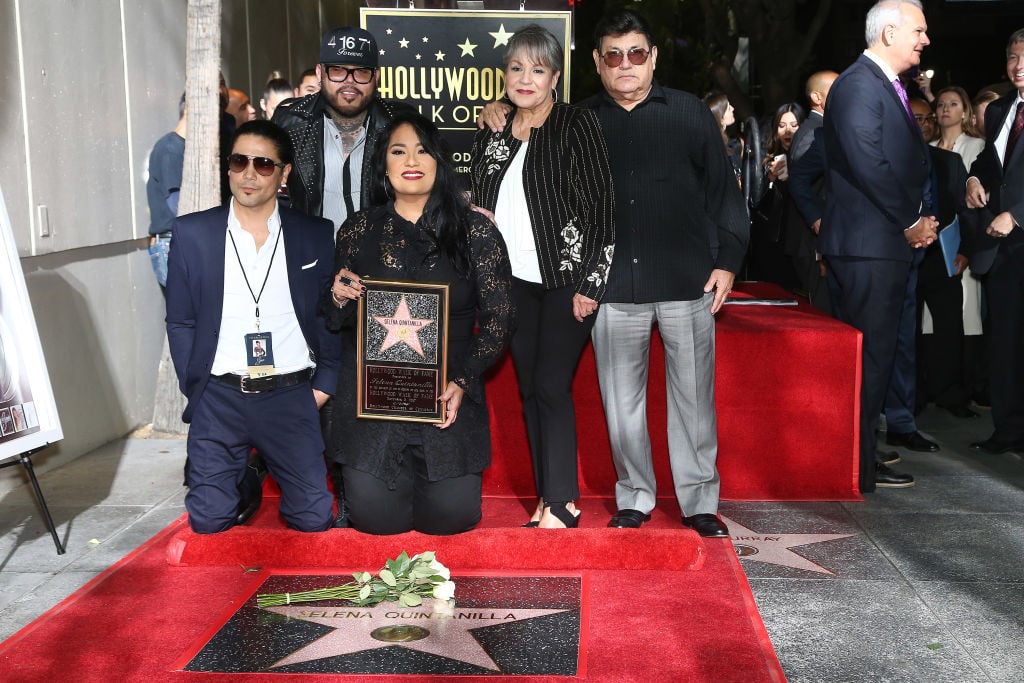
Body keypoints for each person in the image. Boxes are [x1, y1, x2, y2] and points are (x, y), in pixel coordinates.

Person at [482, 10, 748, 535]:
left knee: (693, 400)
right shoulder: (576, 120)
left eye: (636, 53)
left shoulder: (692, 113)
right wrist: (497, 110)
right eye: (612, 55)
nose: (625, 64)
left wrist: (728, 263)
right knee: (620, 405)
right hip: (610, 288)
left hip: (686, 281)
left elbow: (725, 195)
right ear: (598, 65)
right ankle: (635, 497)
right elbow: (525, 142)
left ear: (652, 58)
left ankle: (699, 504)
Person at [324, 112, 513, 535]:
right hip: (373, 407)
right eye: (398, 151)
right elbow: (336, 320)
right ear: (384, 165)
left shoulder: (476, 231)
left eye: (423, 150)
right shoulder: (357, 230)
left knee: (451, 520)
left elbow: (500, 320)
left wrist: (462, 380)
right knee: (375, 522)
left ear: (439, 161)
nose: (412, 159)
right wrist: (338, 294)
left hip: (447, 398)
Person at [470, 25, 615, 529]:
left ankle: (561, 501)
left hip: (565, 281)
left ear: (555, 76)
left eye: (537, 69)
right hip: (510, 285)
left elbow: (602, 209)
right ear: (504, 75)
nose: (525, 78)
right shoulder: (492, 126)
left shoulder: (577, 124)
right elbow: (478, 204)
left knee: (552, 385)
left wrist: (591, 284)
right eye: (516, 68)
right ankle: (548, 498)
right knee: (530, 388)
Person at [165, 120, 339, 534]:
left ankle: (259, 463)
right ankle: (243, 476)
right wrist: (198, 386)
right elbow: (181, 320)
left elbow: (325, 314)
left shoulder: (314, 234)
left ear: (284, 174)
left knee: (313, 520)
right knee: (208, 521)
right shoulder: (193, 234)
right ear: (228, 167)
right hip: (220, 396)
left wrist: (325, 383)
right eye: (240, 161)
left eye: (263, 164)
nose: (248, 173)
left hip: (291, 395)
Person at [820, 0, 938, 492]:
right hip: (870, 246)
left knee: (874, 359)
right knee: (866, 361)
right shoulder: (859, 84)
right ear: (889, 32)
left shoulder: (880, 85)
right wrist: (912, 220)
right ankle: (855, 468)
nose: (926, 40)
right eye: (919, 30)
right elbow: (869, 160)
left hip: (876, 244)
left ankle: (861, 457)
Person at [273, 26, 414, 230]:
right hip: (311, 255)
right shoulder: (290, 122)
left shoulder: (401, 122)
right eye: (337, 70)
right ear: (320, 73)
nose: (349, 82)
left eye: (361, 72)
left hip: (380, 256)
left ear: (376, 77)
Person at [964, 28, 1024, 454]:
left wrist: (1017, 215)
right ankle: (1008, 432)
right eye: (1012, 57)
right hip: (1002, 250)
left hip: (1016, 229)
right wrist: (972, 178)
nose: (1018, 66)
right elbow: (990, 159)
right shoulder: (1002, 109)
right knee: (1004, 342)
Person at [786, 71, 837, 312]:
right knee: (822, 312)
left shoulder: (821, 128)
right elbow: (800, 182)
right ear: (817, 96)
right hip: (813, 240)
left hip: (819, 238)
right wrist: (817, 219)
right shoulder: (812, 132)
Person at [750, 103, 805, 289]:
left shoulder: (810, 159)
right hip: (773, 242)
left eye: (794, 125)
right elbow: (756, 204)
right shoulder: (767, 160)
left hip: (799, 240)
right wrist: (770, 178)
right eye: (782, 126)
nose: (787, 131)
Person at [146, 92, 186, 292]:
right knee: (187, 316)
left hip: (174, 241)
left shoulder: (179, 147)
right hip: (170, 242)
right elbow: (175, 203)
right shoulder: (171, 149)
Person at [703, 91, 743, 187]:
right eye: (728, 108)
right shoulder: (714, 147)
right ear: (720, 118)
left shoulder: (726, 141)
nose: (733, 109)